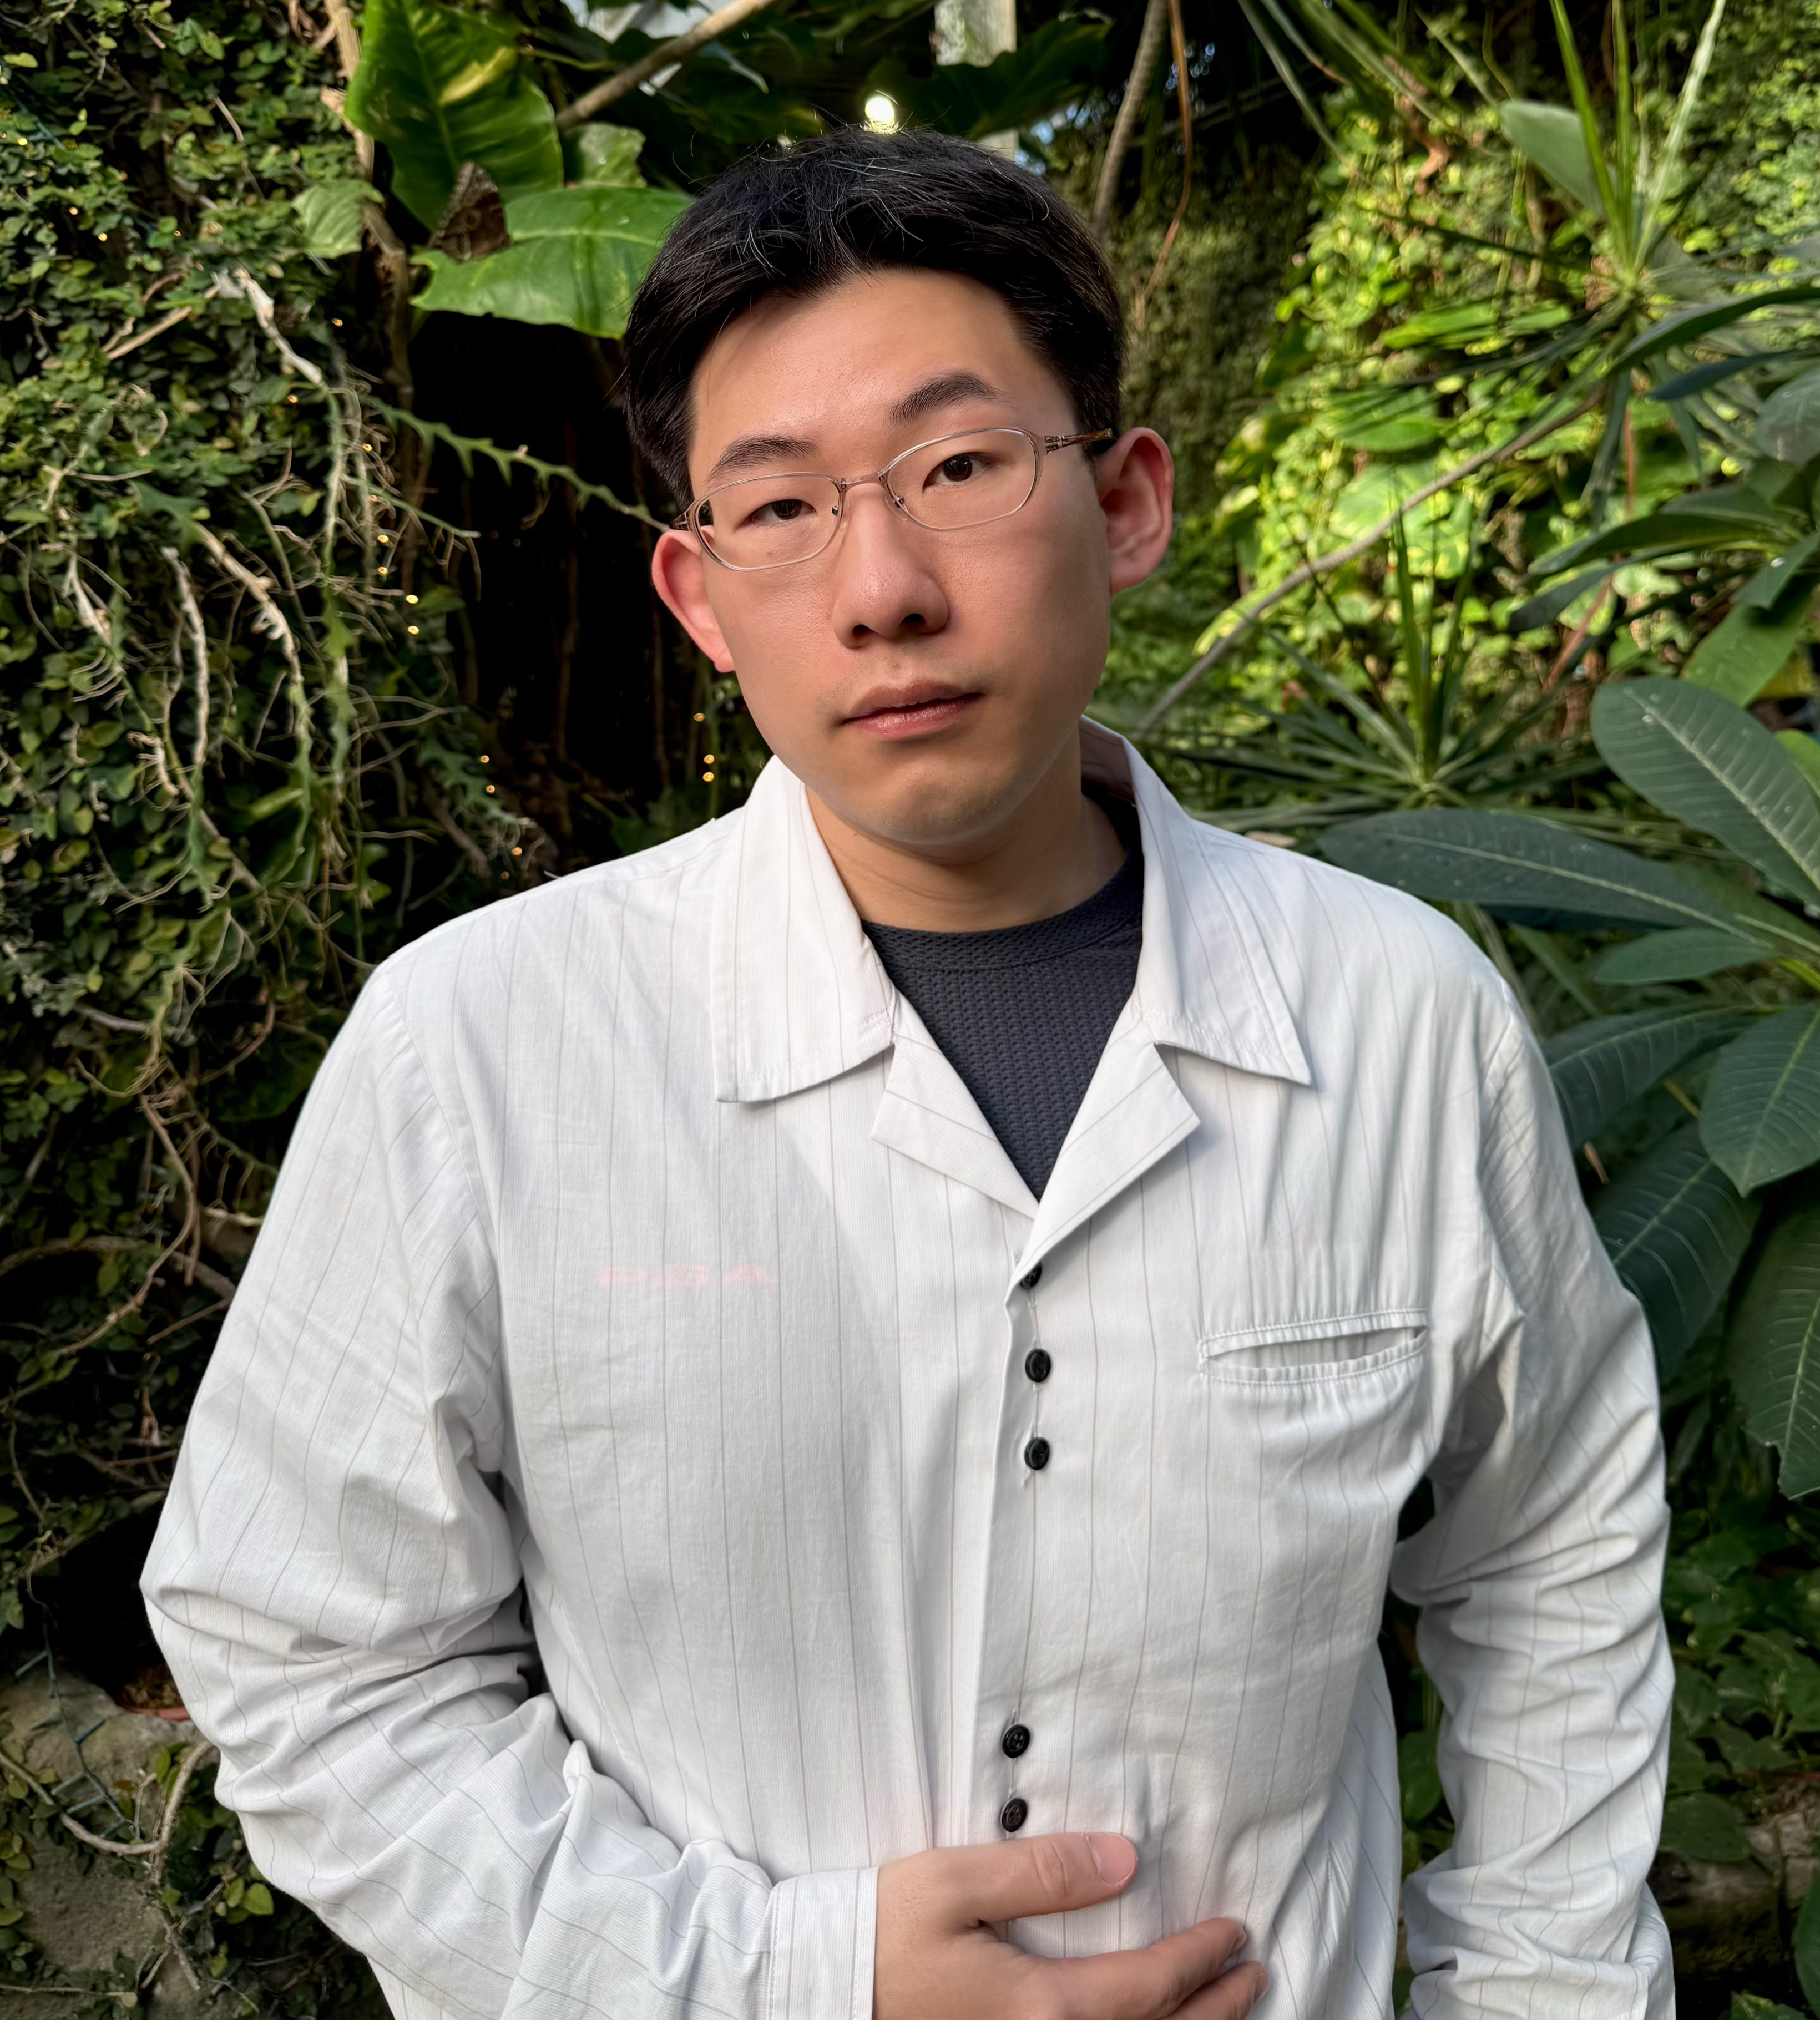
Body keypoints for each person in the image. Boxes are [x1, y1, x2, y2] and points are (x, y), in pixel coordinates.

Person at [143, 128, 1673, 2020]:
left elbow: (1552, 1562)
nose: (881, 587)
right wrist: (776, 1975)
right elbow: (305, 1651)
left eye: (958, 467)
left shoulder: (1396, 1020)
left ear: (1122, 501)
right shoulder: (486, 1048)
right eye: (779, 508)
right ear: (701, 599)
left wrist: (1533, 1991)